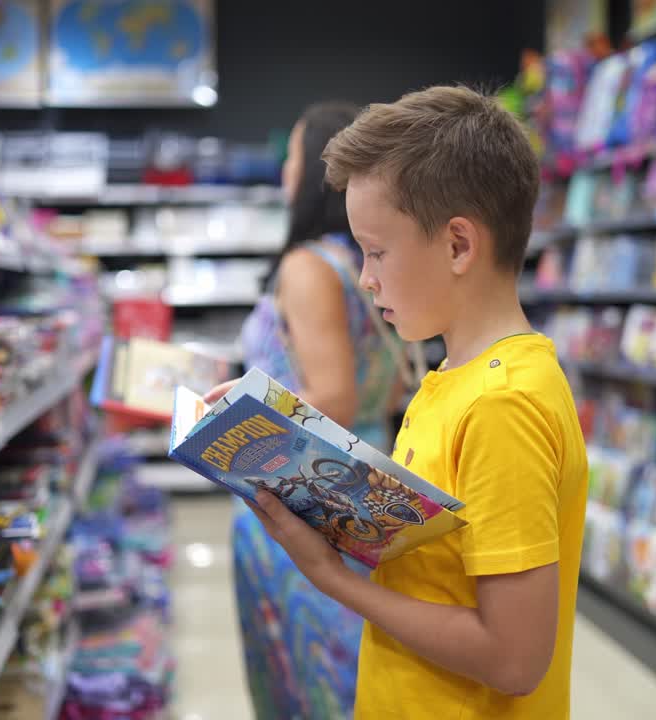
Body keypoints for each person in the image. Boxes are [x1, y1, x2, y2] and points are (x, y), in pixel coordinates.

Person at [232, 86, 590, 719]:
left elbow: (514, 658)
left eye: (377, 251)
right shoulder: (456, 375)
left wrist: (335, 580)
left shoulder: (502, 405)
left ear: (458, 245)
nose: (365, 279)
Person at [225, 101, 412, 719]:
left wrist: (228, 415)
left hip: (295, 498)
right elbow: (382, 388)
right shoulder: (362, 262)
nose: (284, 169)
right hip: (359, 488)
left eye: (293, 156)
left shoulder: (308, 267)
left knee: (308, 676)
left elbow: (332, 396)